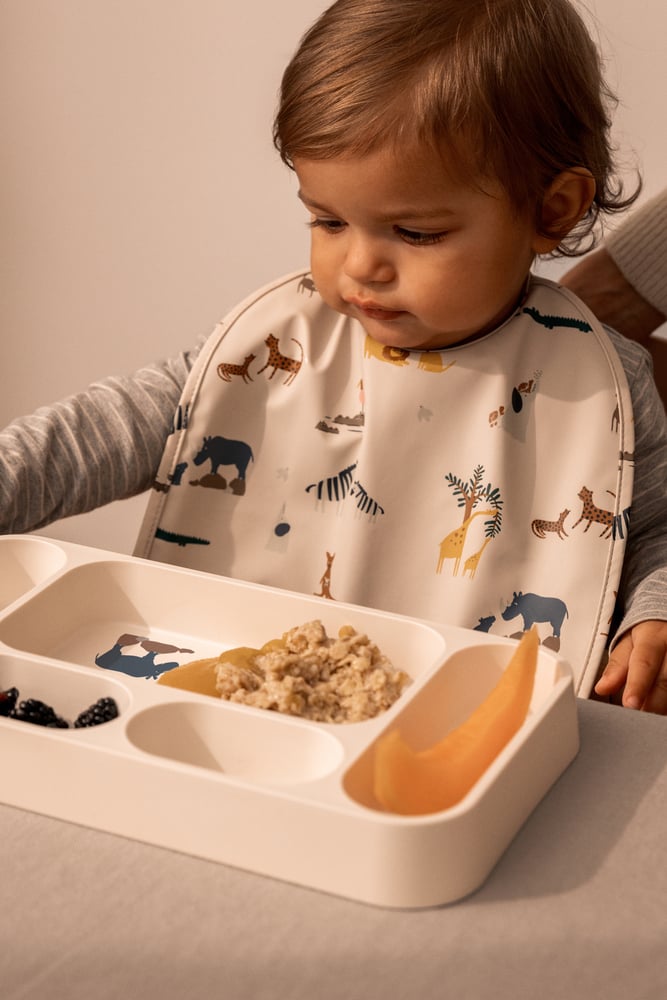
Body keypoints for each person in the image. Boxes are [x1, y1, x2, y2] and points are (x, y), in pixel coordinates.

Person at [2, 0, 667, 712]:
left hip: (463, 725)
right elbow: (92, 436)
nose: (359, 266)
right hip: (231, 706)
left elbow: (654, 530)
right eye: (327, 220)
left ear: (552, 209)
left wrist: (653, 612)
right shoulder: (280, 344)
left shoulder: (602, 383)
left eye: (414, 232)